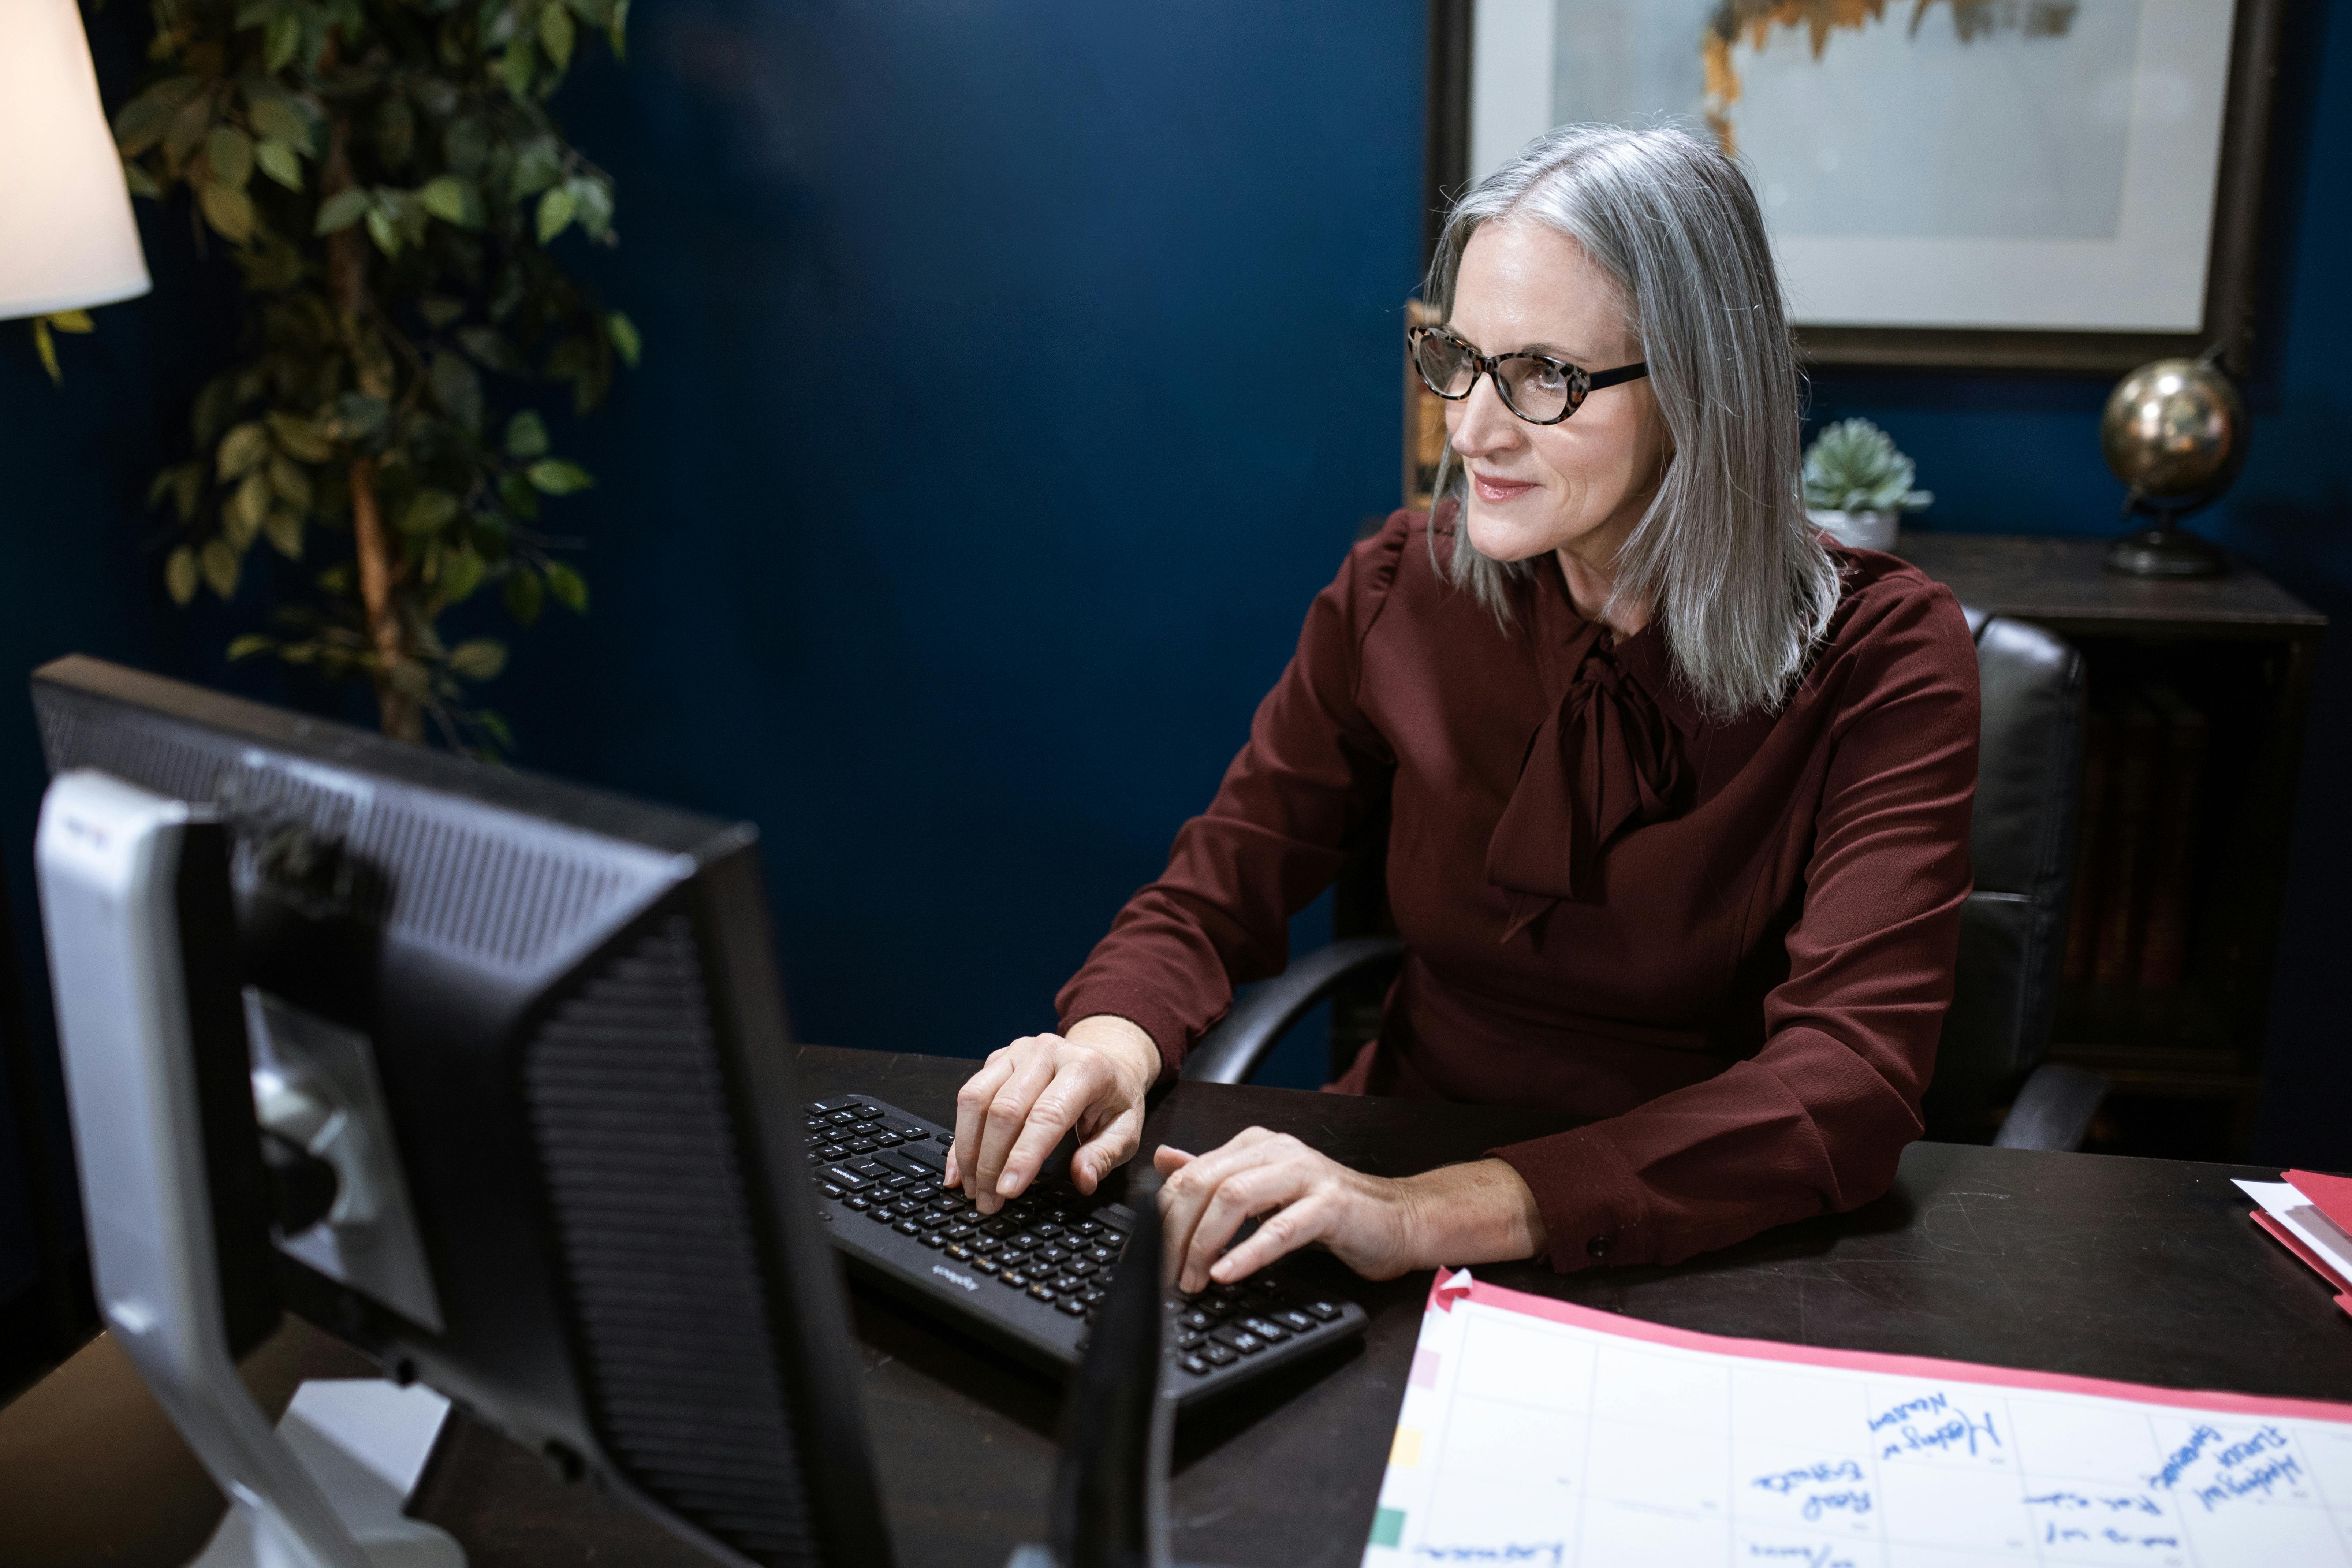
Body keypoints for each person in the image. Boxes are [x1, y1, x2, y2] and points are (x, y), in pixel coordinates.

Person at [942, 123, 1979, 1296]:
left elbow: (1844, 1081)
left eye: (1545, 376)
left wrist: (1425, 1213)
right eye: (1458, 359)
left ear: (1698, 391)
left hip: (1686, 1233)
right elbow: (1217, 889)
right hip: (1369, 1185)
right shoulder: (1399, 587)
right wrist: (1104, 1048)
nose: (1472, 431)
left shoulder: (1884, 655)